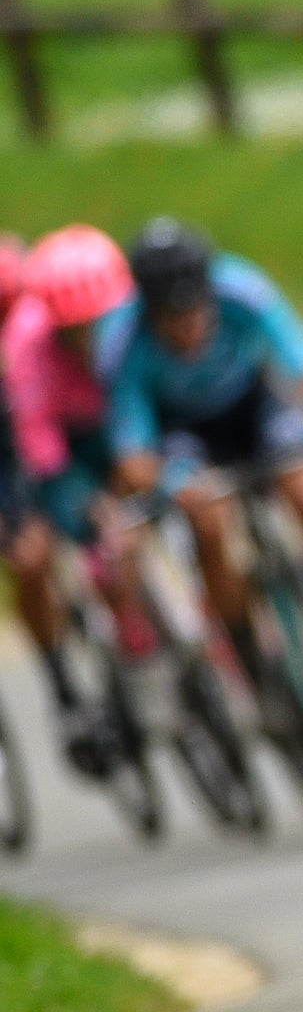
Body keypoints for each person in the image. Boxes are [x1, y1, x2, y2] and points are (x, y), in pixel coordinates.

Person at [105, 219, 303, 693]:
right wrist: (172, 485)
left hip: (253, 408)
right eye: (171, 319)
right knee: (209, 523)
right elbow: (133, 456)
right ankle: (246, 647)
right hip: (184, 435)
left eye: (195, 311)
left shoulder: (241, 290)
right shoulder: (123, 342)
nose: (188, 327)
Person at [2, 227, 137, 772]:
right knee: (29, 557)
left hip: (40, 425)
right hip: (19, 442)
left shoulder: (31, 325)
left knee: (111, 524)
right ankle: (62, 684)